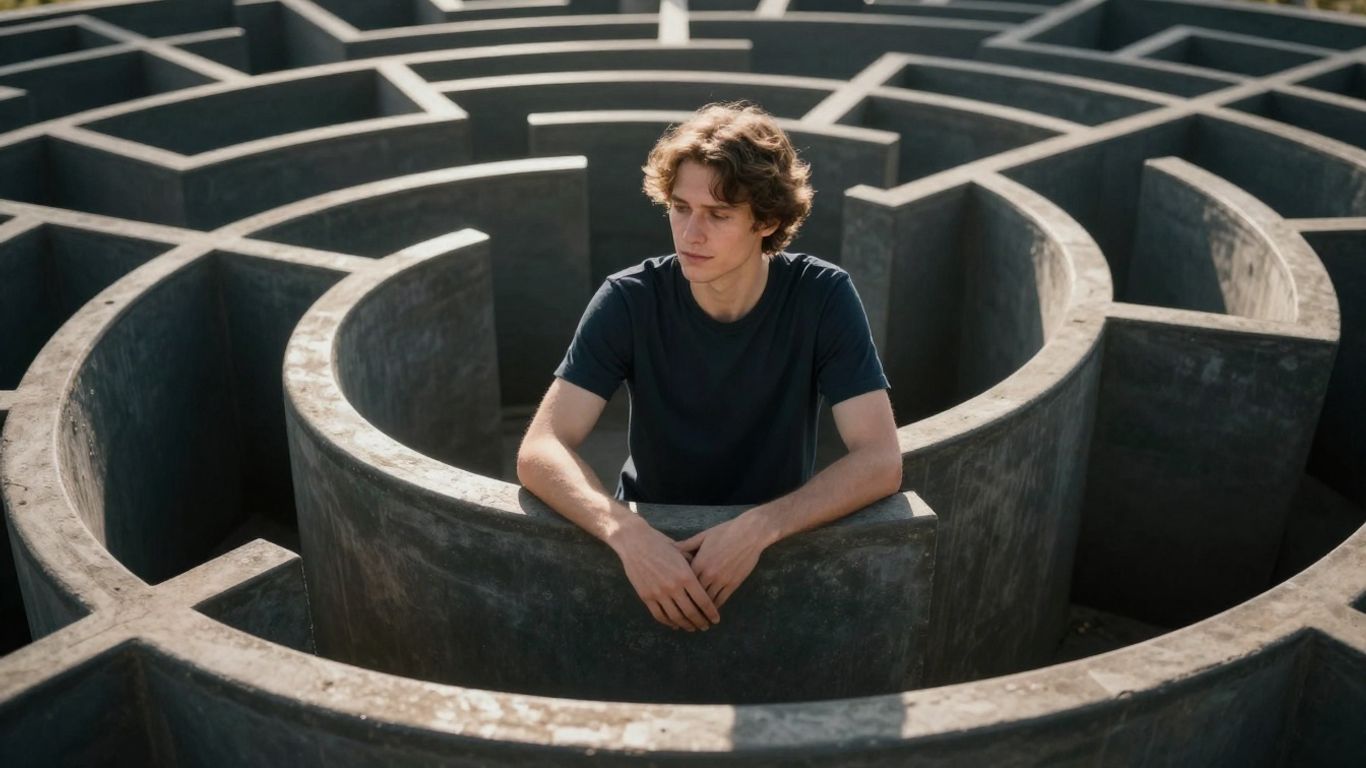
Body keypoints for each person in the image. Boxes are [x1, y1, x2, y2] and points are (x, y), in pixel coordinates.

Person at [516, 102, 901, 634]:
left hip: (773, 546)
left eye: (718, 215)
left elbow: (881, 459)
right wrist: (625, 532)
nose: (690, 234)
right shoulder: (629, 299)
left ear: (766, 221)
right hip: (653, 545)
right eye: (680, 208)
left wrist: (763, 525)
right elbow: (540, 449)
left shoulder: (823, 296)